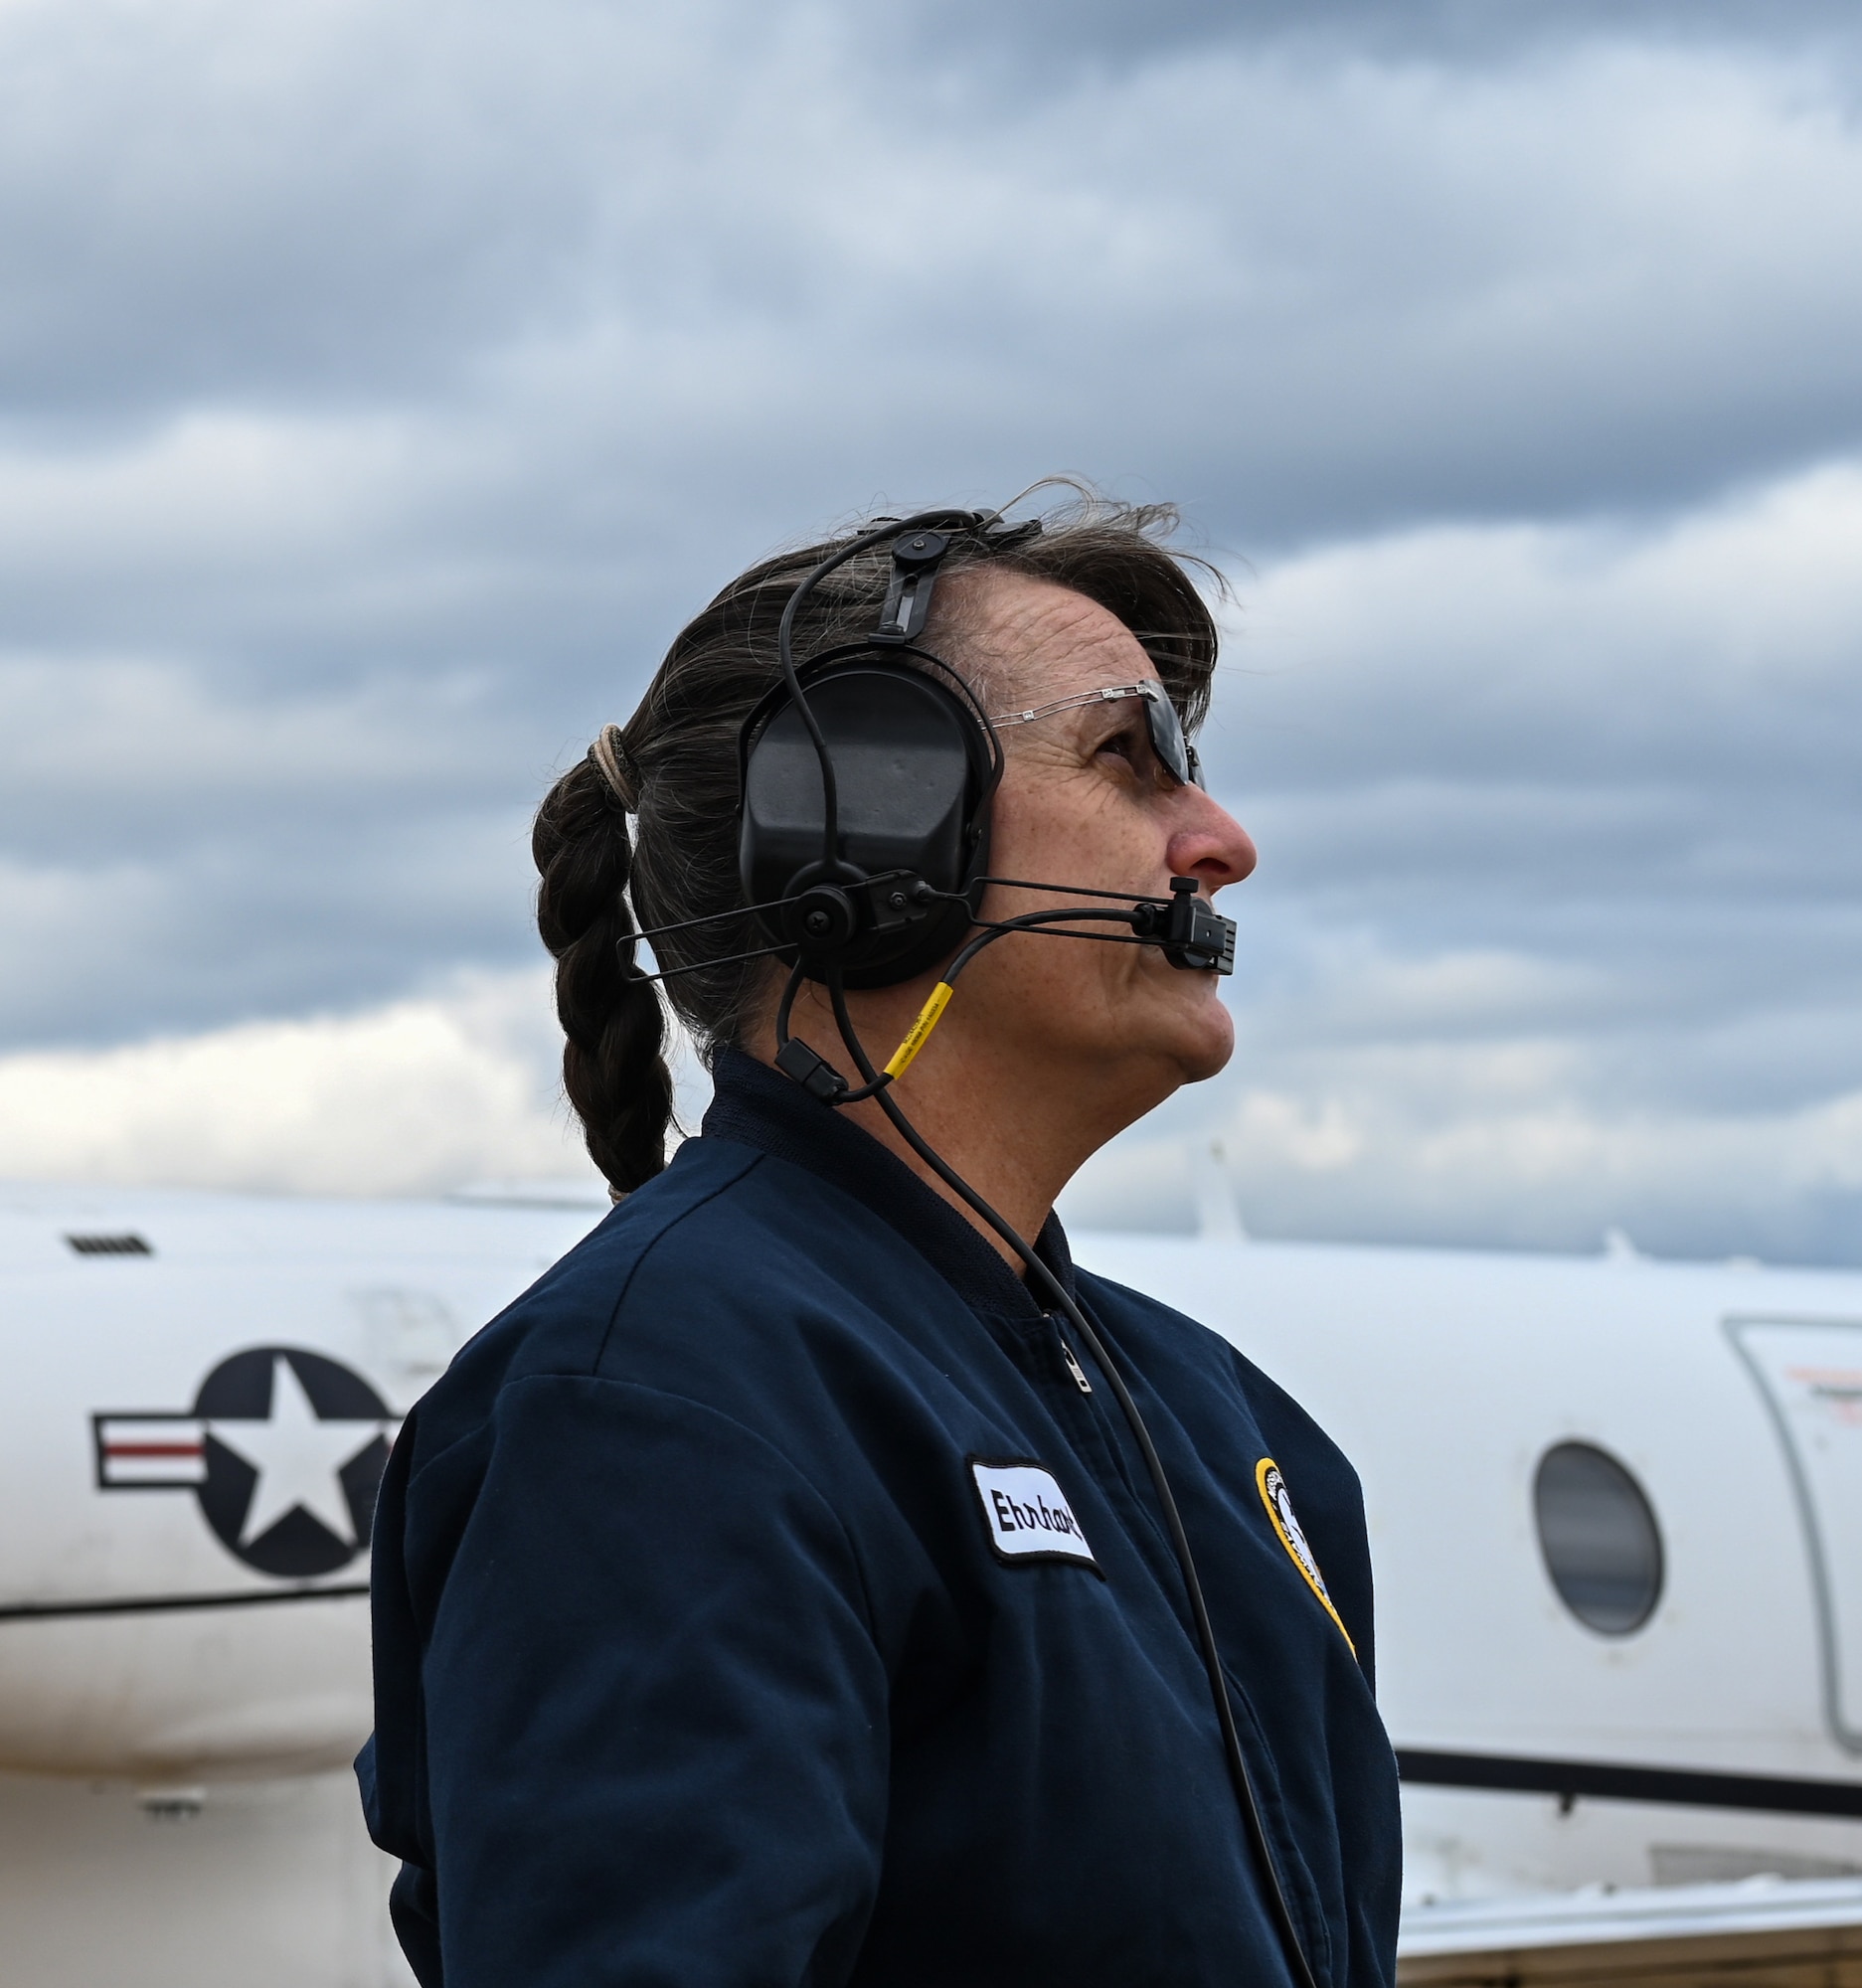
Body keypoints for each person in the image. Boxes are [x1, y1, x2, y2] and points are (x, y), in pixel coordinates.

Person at [358, 492, 1402, 1987]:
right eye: (1130, 754)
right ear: (870, 820)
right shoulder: (653, 1405)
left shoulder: (1238, 1432)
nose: (1222, 842)